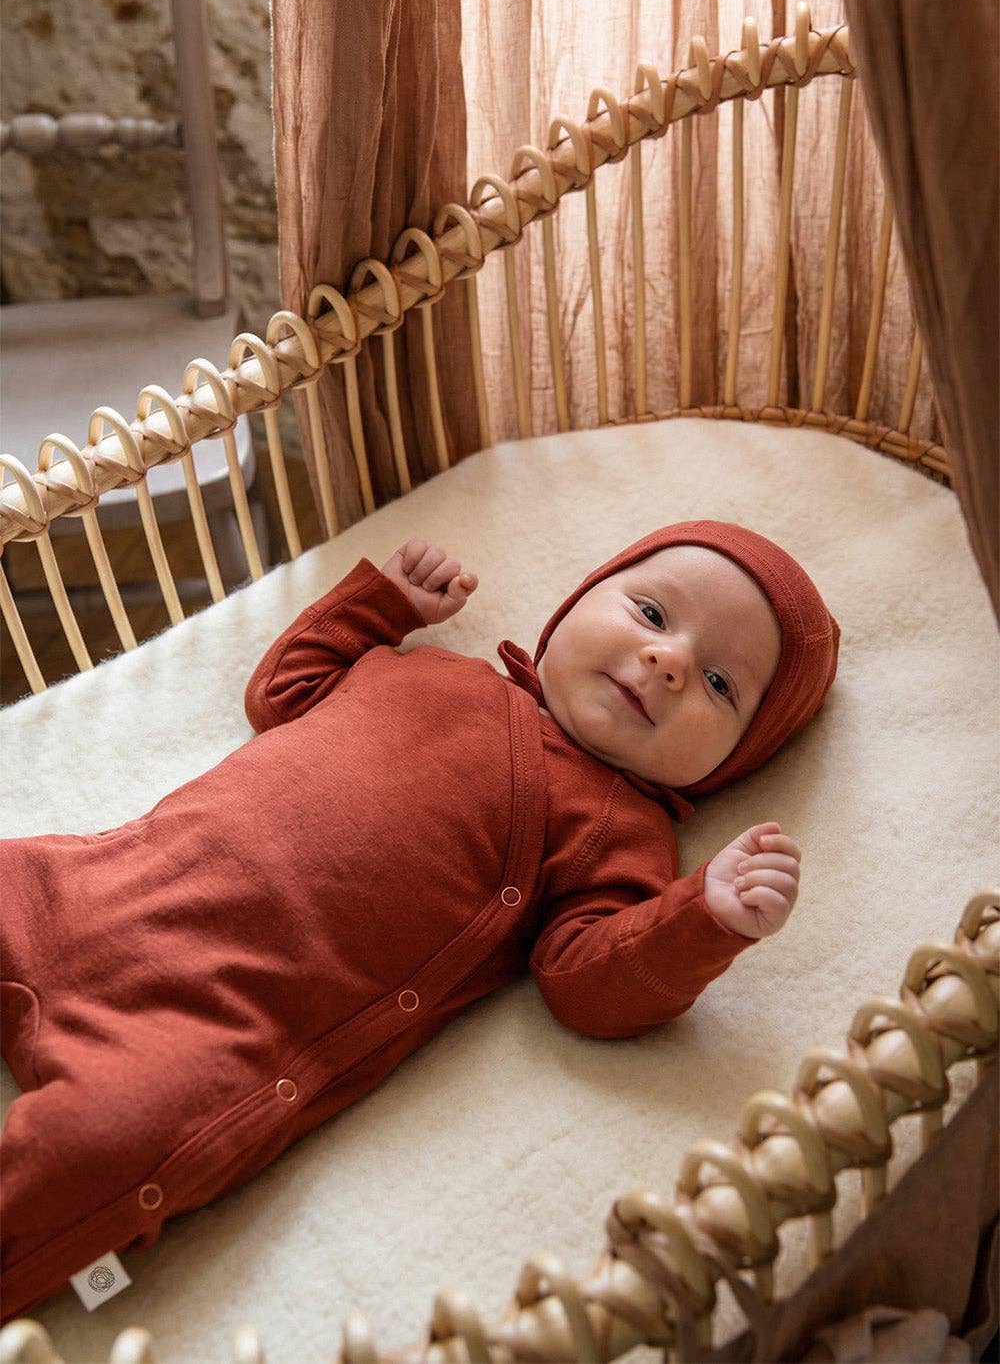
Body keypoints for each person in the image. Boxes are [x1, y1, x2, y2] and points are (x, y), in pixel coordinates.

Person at [0, 519, 840, 1323]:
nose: (667, 661)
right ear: (576, 601)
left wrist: (704, 917)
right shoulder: (433, 670)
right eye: (652, 613)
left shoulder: (617, 828)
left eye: (721, 685)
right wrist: (382, 603)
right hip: (92, 884)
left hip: (209, 1030)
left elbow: (588, 981)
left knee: (108, 1149)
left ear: (735, 761)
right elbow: (282, 691)